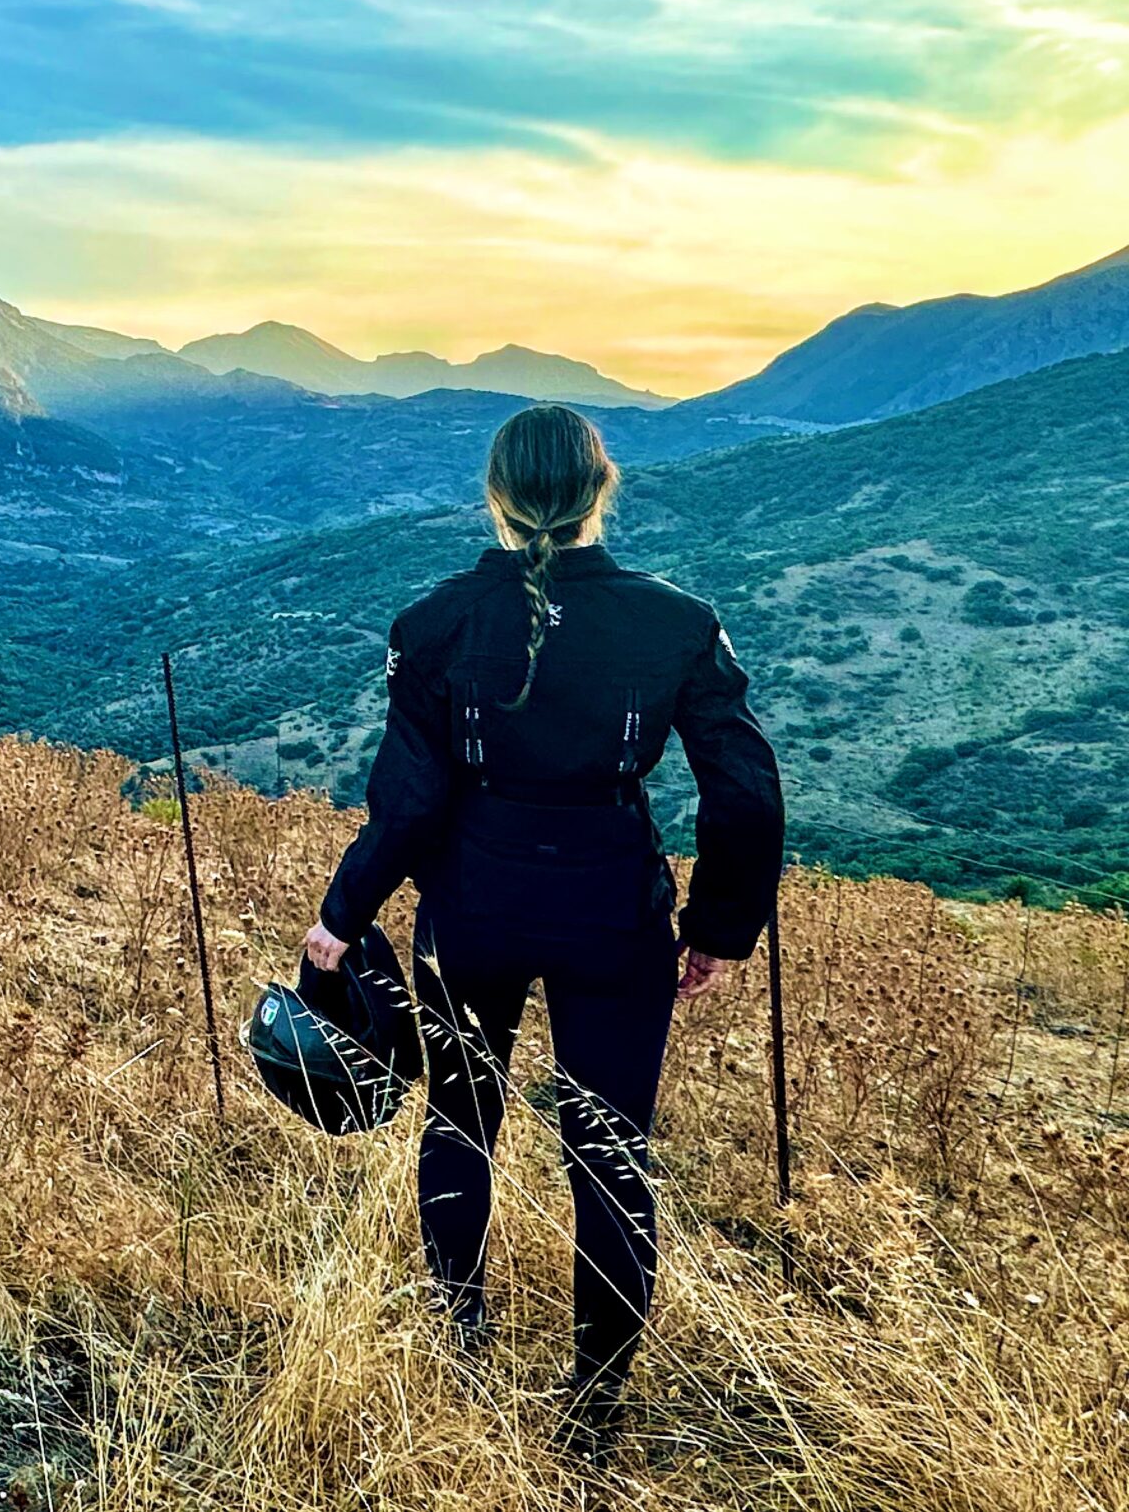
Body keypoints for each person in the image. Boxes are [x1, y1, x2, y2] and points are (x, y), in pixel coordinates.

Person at [304, 403, 783, 1455]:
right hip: (613, 916)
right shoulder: (678, 624)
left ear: (496, 492)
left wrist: (341, 918)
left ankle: (452, 1340)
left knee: (457, 1118)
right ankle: (596, 1405)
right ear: (601, 485)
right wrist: (717, 927)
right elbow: (744, 793)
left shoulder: (433, 622)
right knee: (610, 1155)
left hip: (470, 911)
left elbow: (408, 803)